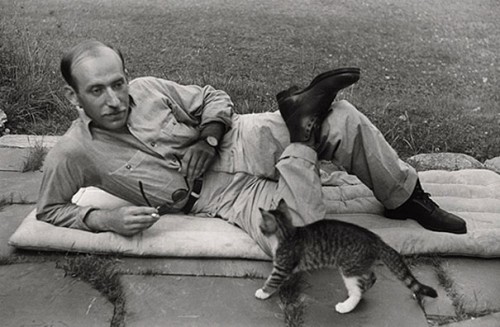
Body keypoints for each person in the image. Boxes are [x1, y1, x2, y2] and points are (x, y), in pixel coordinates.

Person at [37, 40, 467, 256]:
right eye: (96, 90)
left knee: (342, 119)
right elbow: (50, 209)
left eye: (118, 83)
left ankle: (406, 198)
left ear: (127, 76)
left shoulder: (149, 90)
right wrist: (104, 217)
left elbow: (214, 97)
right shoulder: (72, 152)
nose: (114, 99)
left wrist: (207, 136)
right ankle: (302, 130)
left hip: (237, 139)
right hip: (220, 197)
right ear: (74, 98)